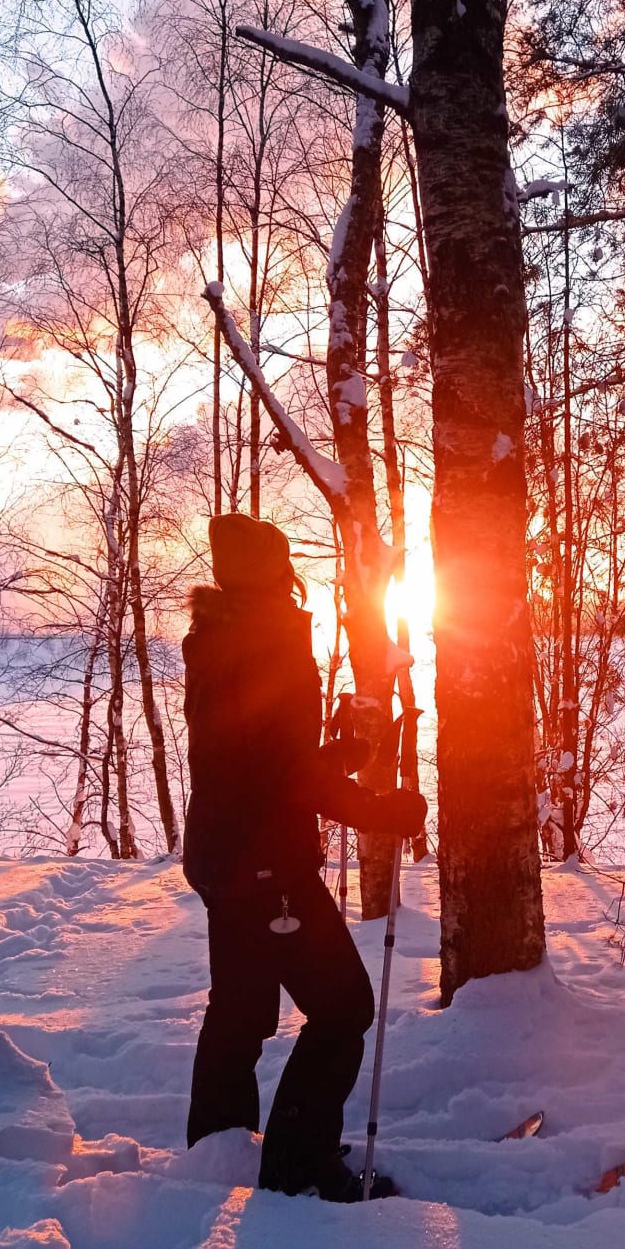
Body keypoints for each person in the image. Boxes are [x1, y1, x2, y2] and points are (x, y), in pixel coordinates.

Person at [181, 512, 426, 1200]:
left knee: (241, 1011)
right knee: (344, 1007)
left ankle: (217, 1157)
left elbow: (258, 762)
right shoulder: (271, 645)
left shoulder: (214, 639)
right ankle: (298, 1163)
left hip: (223, 858)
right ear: (274, 574)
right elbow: (287, 780)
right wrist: (383, 811)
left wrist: (343, 754)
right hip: (266, 867)